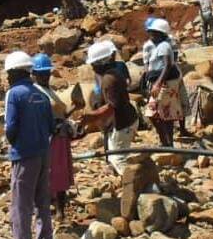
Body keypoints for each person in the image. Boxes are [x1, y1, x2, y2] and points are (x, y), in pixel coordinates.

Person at [1, 50, 55, 239]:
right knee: (42, 204)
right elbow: (52, 126)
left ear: (13, 72)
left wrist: (13, 142)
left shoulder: (14, 94)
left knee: (21, 209)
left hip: (24, 156)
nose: (6, 78)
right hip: (44, 154)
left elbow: (10, 128)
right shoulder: (41, 94)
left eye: (7, 74)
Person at [82, 40, 139, 177]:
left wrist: (92, 117)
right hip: (124, 120)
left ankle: (136, 183)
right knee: (117, 154)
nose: (92, 67)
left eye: (93, 64)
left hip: (123, 123)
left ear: (101, 63)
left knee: (118, 159)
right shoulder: (111, 74)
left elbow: (111, 106)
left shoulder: (109, 79)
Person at [31, 53, 75, 221]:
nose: (45, 76)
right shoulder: (35, 93)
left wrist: (74, 109)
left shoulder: (49, 91)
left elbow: (60, 115)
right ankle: (52, 208)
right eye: (41, 73)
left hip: (60, 137)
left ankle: (59, 209)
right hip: (48, 139)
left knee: (59, 173)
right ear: (33, 74)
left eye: (46, 73)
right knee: (51, 172)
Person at [144, 19, 182, 147]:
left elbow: (167, 66)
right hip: (161, 82)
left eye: (154, 33)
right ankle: (166, 142)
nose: (151, 36)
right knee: (160, 114)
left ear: (161, 34)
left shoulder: (164, 46)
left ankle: (167, 142)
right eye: (150, 33)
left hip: (165, 82)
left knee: (159, 112)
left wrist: (158, 83)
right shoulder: (158, 46)